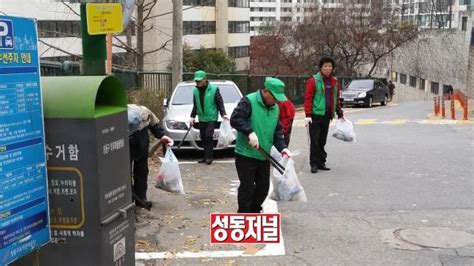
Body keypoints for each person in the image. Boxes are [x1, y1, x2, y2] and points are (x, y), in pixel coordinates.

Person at [231, 77, 292, 213]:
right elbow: (236, 118)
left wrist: (283, 148)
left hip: (264, 155)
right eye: (274, 97)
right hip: (245, 153)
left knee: (263, 188)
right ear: (266, 91)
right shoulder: (249, 101)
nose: (276, 101)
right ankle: (244, 215)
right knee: (247, 188)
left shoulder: (275, 108)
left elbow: (277, 132)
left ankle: (254, 211)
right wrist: (249, 132)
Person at [128, 104, 173, 209]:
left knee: (142, 172)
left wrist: (162, 135)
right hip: (125, 149)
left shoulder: (145, 112)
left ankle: (141, 198)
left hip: (142, 145)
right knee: (125, 175)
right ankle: (128, 199)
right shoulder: (119, 116)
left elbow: (155, 125)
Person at [304, 57, 344, 174]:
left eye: (330, 66)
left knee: (322, 140)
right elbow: (308, 98)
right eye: (325, 66)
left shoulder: (334, 81)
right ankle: (314, 163)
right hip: (315, 115)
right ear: (321, 67)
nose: (327, 68)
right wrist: (308, 114)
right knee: (315, 140)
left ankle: (321, 162)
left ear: (332, 68)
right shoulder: (313, 81)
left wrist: (338, 110)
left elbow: (335, 98)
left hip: (327, 115)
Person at [189, 70, 228, 165]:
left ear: (205, 79)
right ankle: (205, 156)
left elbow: (220, 102)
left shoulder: (214, 89)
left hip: (211, 117)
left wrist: (223, 114)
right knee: (203, 137)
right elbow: (195, 105)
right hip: (201, 117)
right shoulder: (195, 91)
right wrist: (192, 116)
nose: (197, 83)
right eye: (196, 81)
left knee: (208, 136)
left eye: (199, 81)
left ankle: (209, 157)